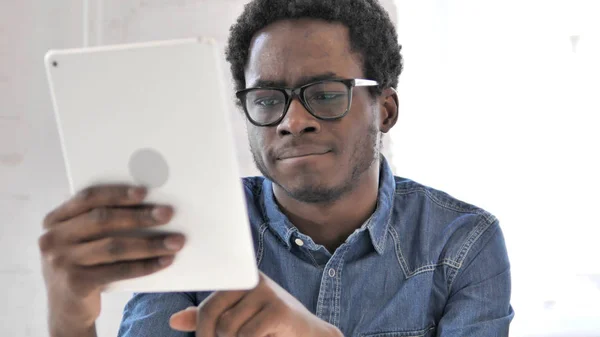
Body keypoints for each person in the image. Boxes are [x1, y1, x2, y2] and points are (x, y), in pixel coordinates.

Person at [38, 0, 514, 336]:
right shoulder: (189, 228)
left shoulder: (463, 242)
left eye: (326, 93)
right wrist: (70, 321)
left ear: (385, 110)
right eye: (267, 99)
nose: (293, 121)